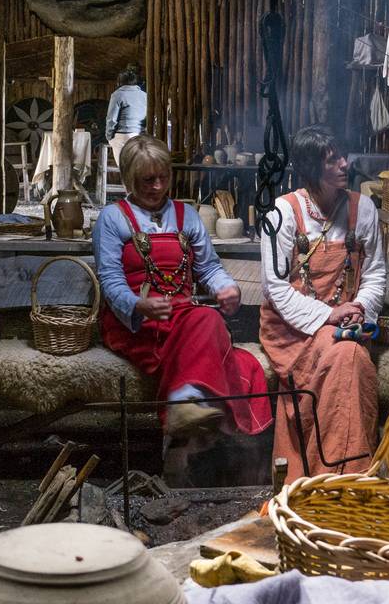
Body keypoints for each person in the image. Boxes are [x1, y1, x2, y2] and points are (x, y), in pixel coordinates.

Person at [93, 135, 272, 459]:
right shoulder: (113, 218)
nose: (158, 186)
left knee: (207, 317)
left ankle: (188, 407)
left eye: (164, 177)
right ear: (132, 179)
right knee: (205, 325)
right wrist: (138, 305)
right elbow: (110, 280)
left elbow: (209, 267)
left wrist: (225, 288)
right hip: (136, 323)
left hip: (181, 314)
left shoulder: (186, 215)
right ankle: (189, 407)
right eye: (148, 180)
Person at [259, 125, 386, 482]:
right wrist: (328, 315)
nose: (345, 165)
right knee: (346, 354)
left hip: (349, 322)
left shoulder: (364, 210)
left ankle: (336, 476)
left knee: (349, 353)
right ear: (312, 167)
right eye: (334, 160)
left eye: (344, 156)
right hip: (293, 329)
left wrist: (359, 310)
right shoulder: (282, 215)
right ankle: (347, 476)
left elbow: (375, 272)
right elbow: (276, 289)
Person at [105, 65, 147, 171]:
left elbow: (111, 119)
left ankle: (128, 187)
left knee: (124, 170)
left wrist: (109, 136)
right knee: (136, 170)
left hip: (123, 135)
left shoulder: (117, 94)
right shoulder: (144, 95)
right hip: (139, 135)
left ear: (120, 82)